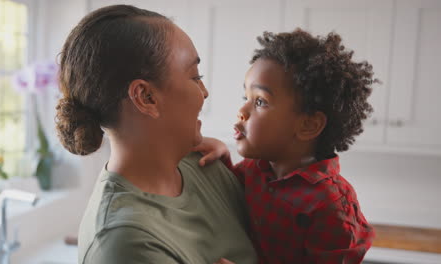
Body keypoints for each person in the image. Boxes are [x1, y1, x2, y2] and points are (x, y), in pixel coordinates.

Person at [55, 5, 257, 264]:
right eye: (195, 77)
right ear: (146, 97)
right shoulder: (124, 243)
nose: (204, 92)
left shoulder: (205, 165)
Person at [196, 29, 376, 263]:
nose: (242, 111)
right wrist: (223, 159)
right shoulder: (252, 170)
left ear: (308, 125)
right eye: (245, 98)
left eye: (260, 101)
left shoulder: (332, 207)